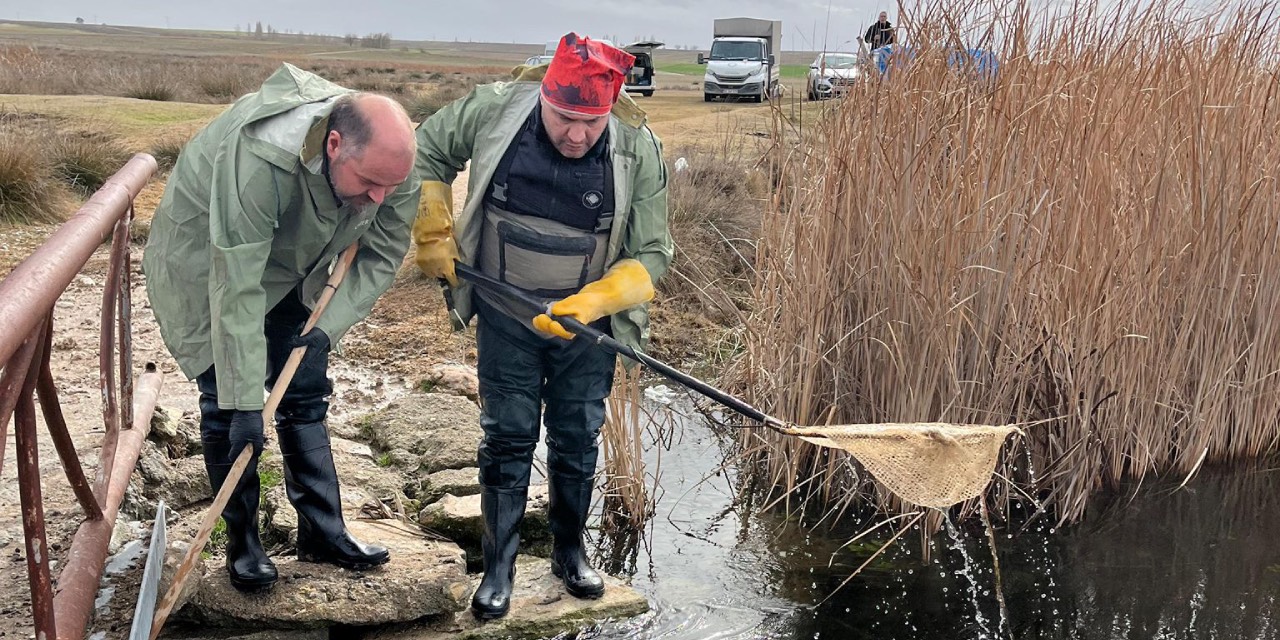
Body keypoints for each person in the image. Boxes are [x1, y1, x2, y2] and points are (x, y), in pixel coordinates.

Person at [412, 33, 672, 620]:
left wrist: (599, 298)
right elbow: (426, 149)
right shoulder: (495, 109)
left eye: (591, 123)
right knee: (506, 435)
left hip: (584, 330)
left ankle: (570, 552)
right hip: (507, 316)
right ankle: (498, 565)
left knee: (577, 436)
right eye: (564, 119)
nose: (577, 135)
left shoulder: (637, 146)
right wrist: (431, 227)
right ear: (542, 100)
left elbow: (654, 252)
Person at [142, 63, 420, 593]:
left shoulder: (393, 164)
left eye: (392, 185)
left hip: (300, 257)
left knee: (305, 387)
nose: (381, 197)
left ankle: (323, 531)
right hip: (209, 258)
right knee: (227, 402)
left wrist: (327, 328)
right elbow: (237, 283)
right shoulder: (262, 158)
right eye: (369, 184)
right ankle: (243, 542)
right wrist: (246, 400)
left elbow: (383, 251)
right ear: (334, 144)